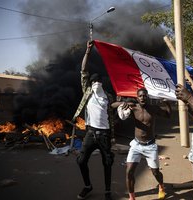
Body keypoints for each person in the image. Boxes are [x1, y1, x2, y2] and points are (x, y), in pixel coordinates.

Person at [111, 88, 171, 200]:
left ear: (147, 96)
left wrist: (167, 103)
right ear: (137, 98)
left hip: (150, 145)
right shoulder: (133, 107)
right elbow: (113, 105)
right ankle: (132, 197)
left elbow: (168, 115)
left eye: (144, 96)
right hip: (136, 145)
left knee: (156, 172)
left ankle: (161, 186)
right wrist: (122, 103)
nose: (142, 98)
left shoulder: (153, 109)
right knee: (129, 171)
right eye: (140, 96)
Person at [73, 41, 115, 200]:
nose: (95, 83)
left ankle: (108, 191)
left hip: (104, 135)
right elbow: (83, 70)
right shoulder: (88, 92)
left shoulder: (108, 96)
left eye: (97, 82)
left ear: (101, 83)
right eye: (93, 82)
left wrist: (122, 106)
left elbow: (114, 109)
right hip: (90, 133)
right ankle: (87, 186)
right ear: (90, 84)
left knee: (108, 163)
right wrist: (87, 52)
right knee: (81, 161)